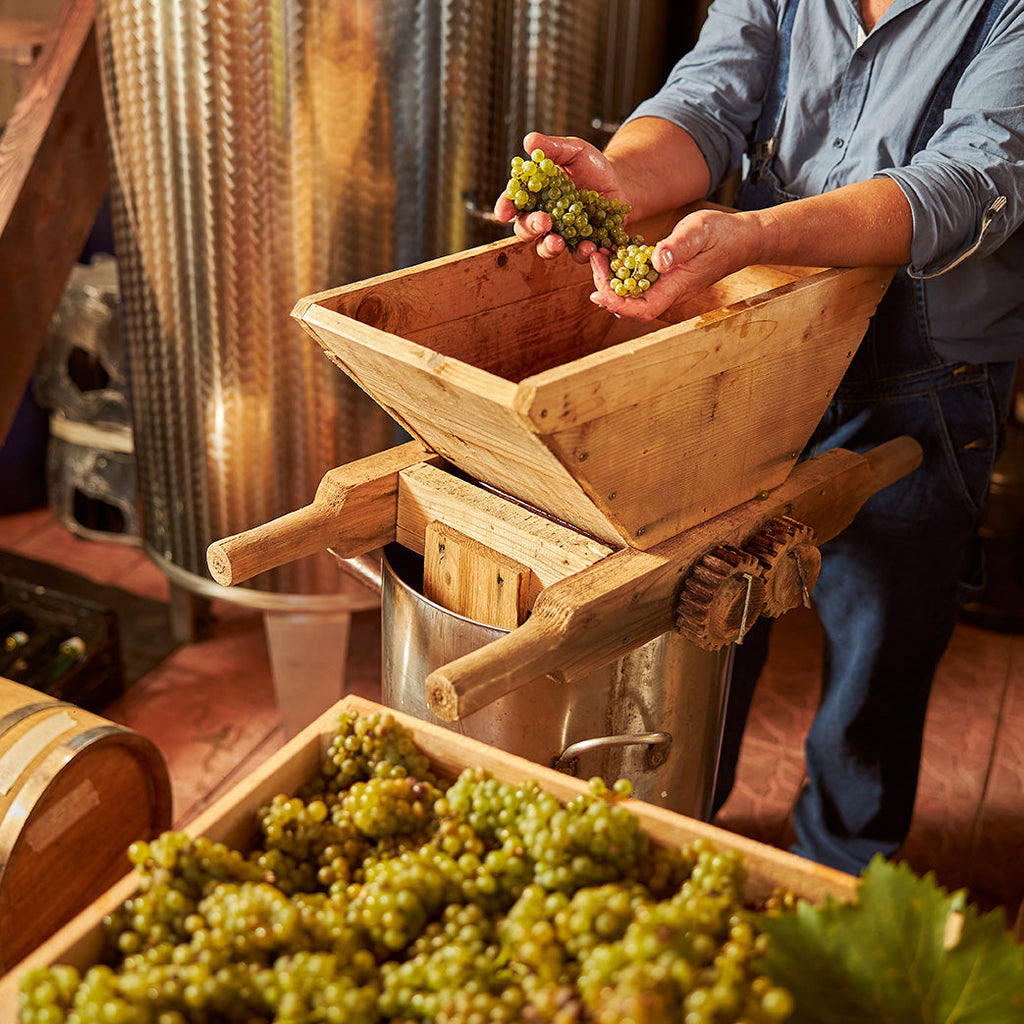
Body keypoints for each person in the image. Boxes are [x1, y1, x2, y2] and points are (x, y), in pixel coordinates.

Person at [496, 0, 1024, 876]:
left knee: (882, 647)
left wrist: (760, 233)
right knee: (710, 616)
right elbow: (706, 102)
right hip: (764, 346)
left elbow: (970, 182)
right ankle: (687, 828)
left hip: (926, 380)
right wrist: (620, 178)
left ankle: (840, 874)